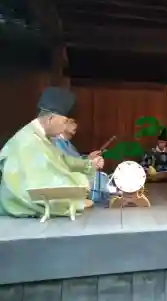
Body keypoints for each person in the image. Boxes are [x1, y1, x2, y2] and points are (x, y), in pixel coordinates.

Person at [0, 87, 104, 218]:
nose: (65, 127)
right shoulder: (28, 142)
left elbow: (62, 160)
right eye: (64, 122)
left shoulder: (43, 137)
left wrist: (89, 164)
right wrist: (82, 181)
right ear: (50, 119)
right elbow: (44, 181)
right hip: (18, 206)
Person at [52, 118, 116, 204]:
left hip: (78, 173)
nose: (76, 125)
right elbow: (67, 162)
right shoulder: (56, 142)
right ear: (62, 123)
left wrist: (89, 157)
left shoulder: (67, 143)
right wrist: (89, 161)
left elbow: (77, 159)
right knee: (96, 177)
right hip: (68, 177)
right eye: (72, 122)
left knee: (103, 176)